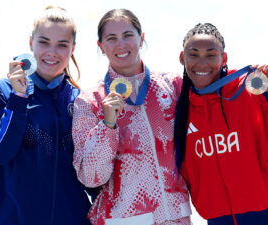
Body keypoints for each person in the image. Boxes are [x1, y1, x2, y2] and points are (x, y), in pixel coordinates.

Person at [174, 22, 268, 225]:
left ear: (223, 58)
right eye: (193, 54)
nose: (202, 63)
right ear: (182, 57)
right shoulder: (179, 106)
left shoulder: (253, 90)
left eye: (210, 54)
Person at [72, 9, 191, 225]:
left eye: (128, 35)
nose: (121, 44)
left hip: (176, 218)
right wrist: (107, 126)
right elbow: (91, 177)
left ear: (141, 38)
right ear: (101, 46)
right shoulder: (89, 101)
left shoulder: (173, 86)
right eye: (112, 38)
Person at [0, 6, 93, 225]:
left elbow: (93, 176)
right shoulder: (1, 91)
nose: (52, 51)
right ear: (31, 42)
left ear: (73, 48)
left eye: (62, 44)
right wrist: (18, 98)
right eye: (44, 42)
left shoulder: (82, 100)